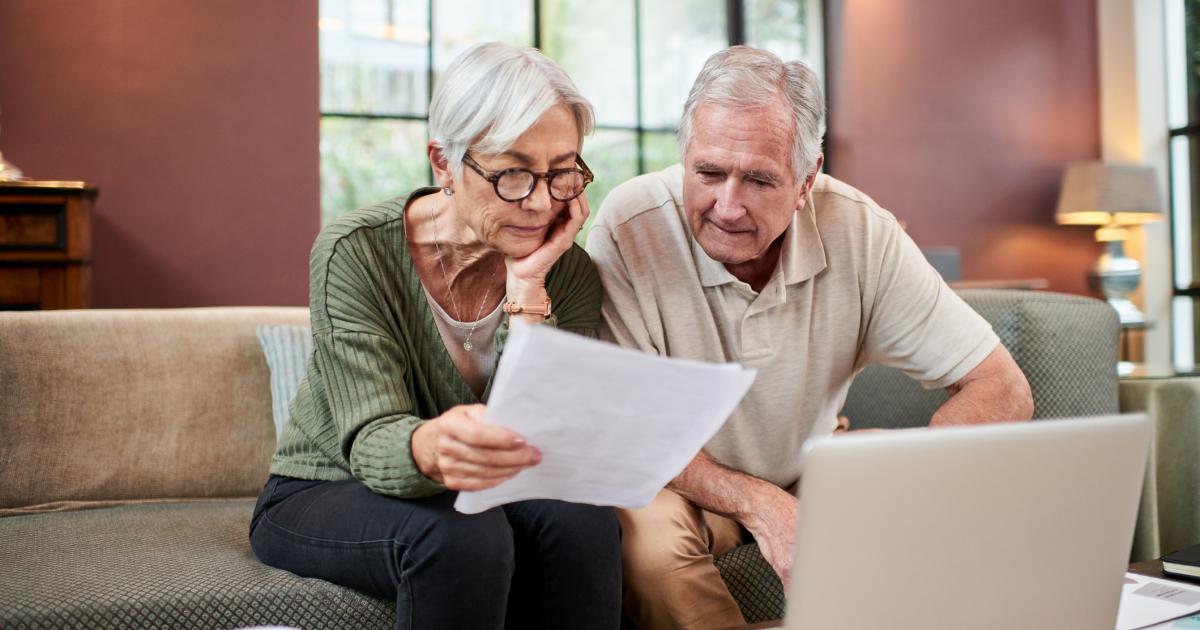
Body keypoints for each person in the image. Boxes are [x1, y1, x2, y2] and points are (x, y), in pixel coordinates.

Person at [585, 45, 1034, 630]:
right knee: (646, 539)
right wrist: (760, 503)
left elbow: (1002, 386)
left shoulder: (859, 228)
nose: (727, 205)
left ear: (806, 180)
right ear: (685, 156)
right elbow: (631, 432)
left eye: (760, 180)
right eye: (709, 172)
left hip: (813, 470)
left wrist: (921, 474)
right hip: (683, 483)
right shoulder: (629, 226)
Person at [249, 42, 621, 630]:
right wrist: (432, 445)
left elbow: (545, 441)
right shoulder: (356, 250)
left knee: (586, 521)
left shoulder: (565, 270)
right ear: (444, 163)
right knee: (461, 534)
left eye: (562, 173)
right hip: (326, 487)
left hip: (484, 491)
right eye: (513, 174)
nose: (542, 202)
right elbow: (370, 437)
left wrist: (526, 291)